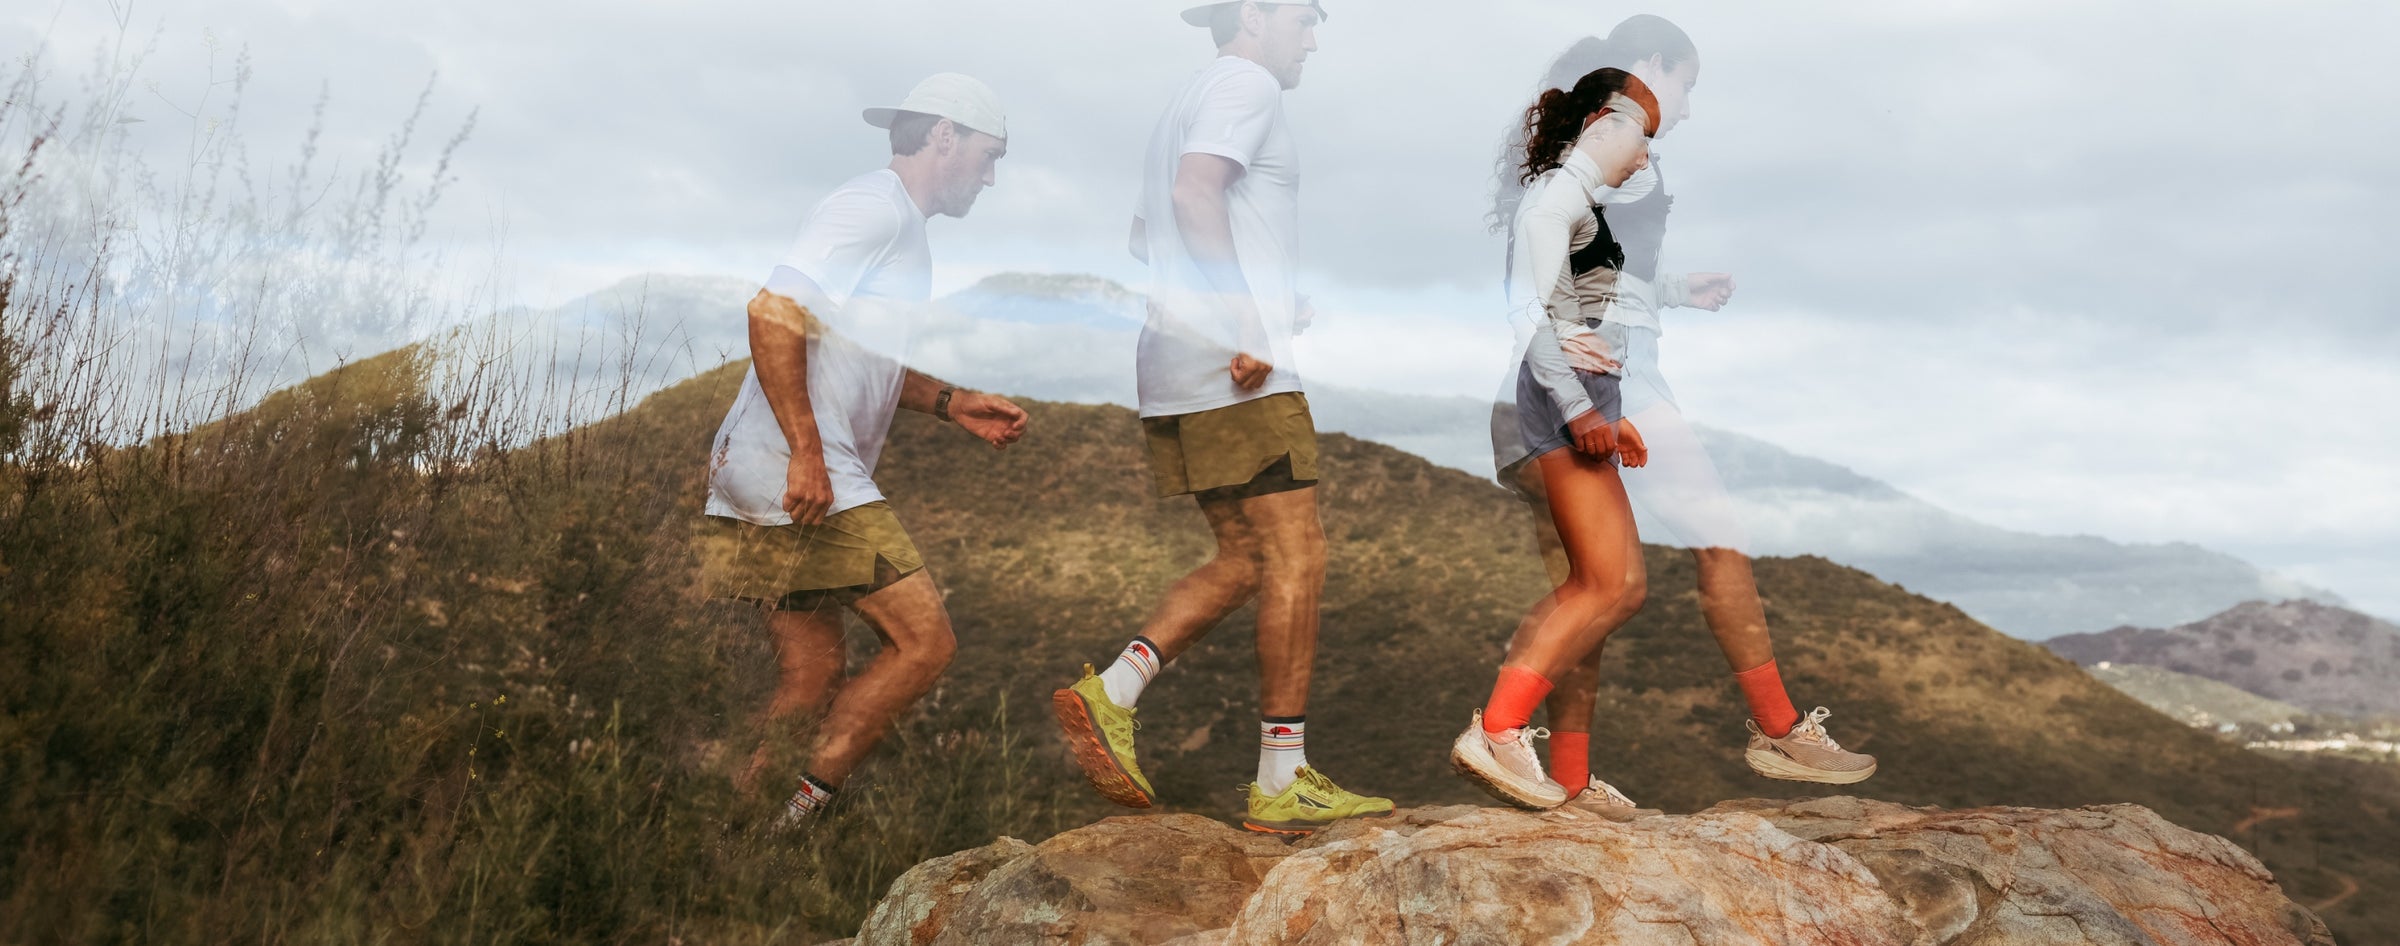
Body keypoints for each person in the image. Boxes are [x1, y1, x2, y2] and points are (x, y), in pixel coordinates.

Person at [1488, 17, 1876, 798]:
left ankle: (1566, 778)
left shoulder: (1575, 165)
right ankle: (1778, 731)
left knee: (1591, 592)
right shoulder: (1625, 152)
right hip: (1613, 375)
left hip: (1551, 379)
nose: (1686, 111)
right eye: (1686, 84)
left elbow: (1586, 267)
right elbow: (1582, 272)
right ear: (1649, 67)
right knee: (1714, 540)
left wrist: (1674, 291)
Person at [1051, 0, 1391, 836]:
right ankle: (1282, 776)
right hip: (1232, 362)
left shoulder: (1188, 99)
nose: (1314, 35)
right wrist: (1250, 318)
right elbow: (1195, 194)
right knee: (1297, 553)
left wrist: (1267, 289)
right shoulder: (1245, 85)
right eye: (1306, 18)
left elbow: (1146, 235)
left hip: (1173, 356)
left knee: (1246, 557)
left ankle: (1116, 691)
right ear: (1257, 13)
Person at [698, 73, 1031, 829]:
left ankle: (724, 831)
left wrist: (950, 403)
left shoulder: (900, 227)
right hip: (794, 470)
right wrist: (807, 451)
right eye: (989, 155)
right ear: (944, 136)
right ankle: (795, 823)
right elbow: (774, 308)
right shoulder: (872, 208)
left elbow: (854, 355)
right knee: (926, 641)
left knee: (811, 677)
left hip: (755, 469)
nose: (991, 175)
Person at [1450, 66, 1662, 810]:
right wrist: (1581, 413)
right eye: (1641, 141)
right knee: (1612, 584)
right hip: (1552, 412)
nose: (1644, 161)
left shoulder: (1574, 204)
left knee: (1601, 587)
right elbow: (1536, 322)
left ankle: (1565, 779)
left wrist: (1610, 408)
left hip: (1571, 406)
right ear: (1602, 126)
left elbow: (1578, 323)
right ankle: (1500, 730)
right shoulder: (1553, 203)